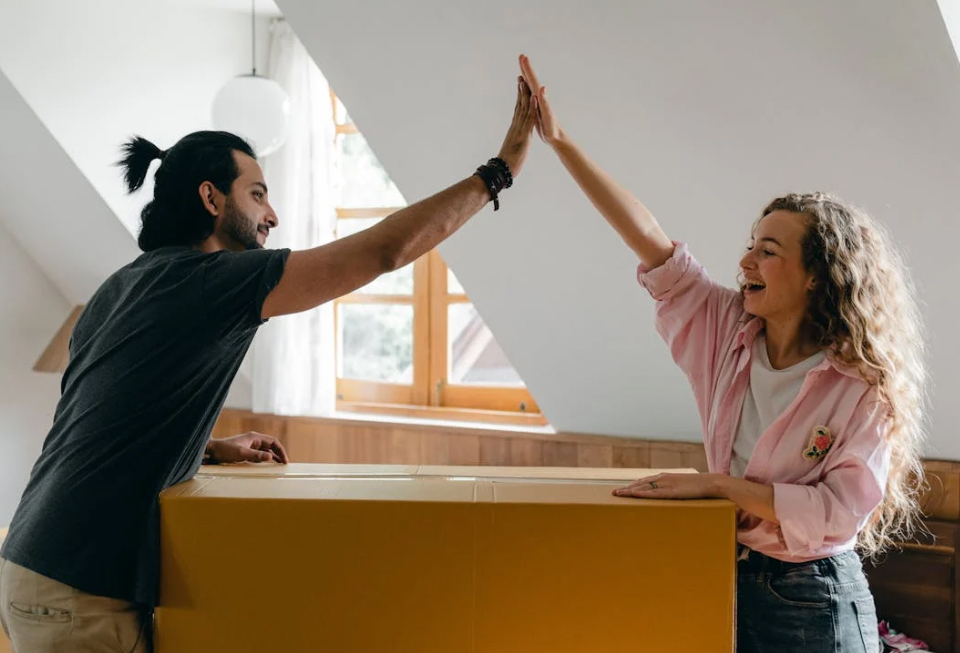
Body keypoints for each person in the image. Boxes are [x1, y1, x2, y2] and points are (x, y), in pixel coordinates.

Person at [0, 77, 537, 652]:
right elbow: (386, 251)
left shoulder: (123, 284)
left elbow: (100, 419)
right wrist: (498, 172)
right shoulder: (215, 281)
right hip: (79, 590)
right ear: (211, 199)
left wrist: (209, 446)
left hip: (33, 559)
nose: (272, 214)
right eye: (257, 194)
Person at [518, 54, 926, 653]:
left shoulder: (861, 385)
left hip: (814, 596)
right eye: (749, 246)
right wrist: (561, 143)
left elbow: (836, 516)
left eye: (768, 251)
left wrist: (719, 487)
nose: (745, 263)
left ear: (817, 275)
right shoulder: (722, 328)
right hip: (725, 576)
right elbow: (648, 239)